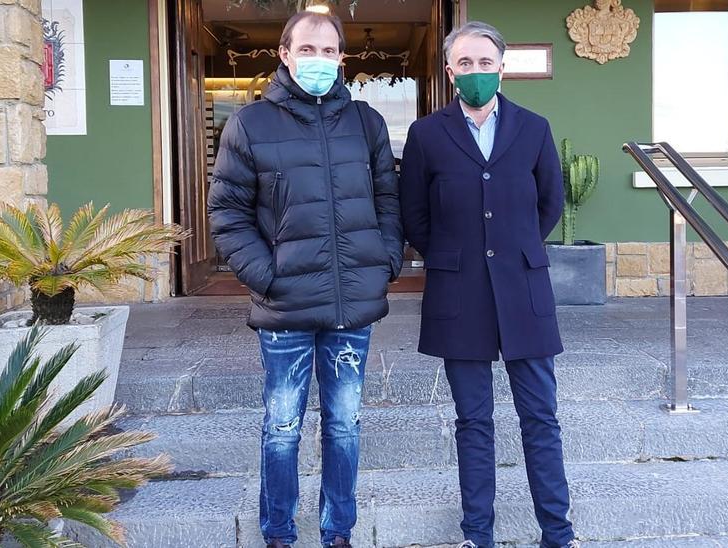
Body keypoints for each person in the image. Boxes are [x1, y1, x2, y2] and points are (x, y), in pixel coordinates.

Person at [205, 10, 404, 548]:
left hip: (351, 305)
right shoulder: (250, 125)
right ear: (286, 55)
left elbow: (389, 199)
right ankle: (278, 531)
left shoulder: (366, 123)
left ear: (343, 57)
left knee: (344, 425)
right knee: (283, 427)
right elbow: (226, 212)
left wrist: (386, 260)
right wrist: (264, 276)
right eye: (307, 49)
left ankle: (338, 530)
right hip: (286, 304)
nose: (318, 60)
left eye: (329, 50)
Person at [397, 20, 579, 548]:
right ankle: (478, 534)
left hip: (524, 291)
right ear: (450, 70)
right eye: (466, 63)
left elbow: (549, 204)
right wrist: (455, 260)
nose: (476, 71)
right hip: (459, 294)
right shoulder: (427, 134)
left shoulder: (534, 128)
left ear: (501, 67)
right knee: (473, 422)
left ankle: (558, 534)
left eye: (486, 62)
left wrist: (513, 252)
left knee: (540, 419)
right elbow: (415, 217)